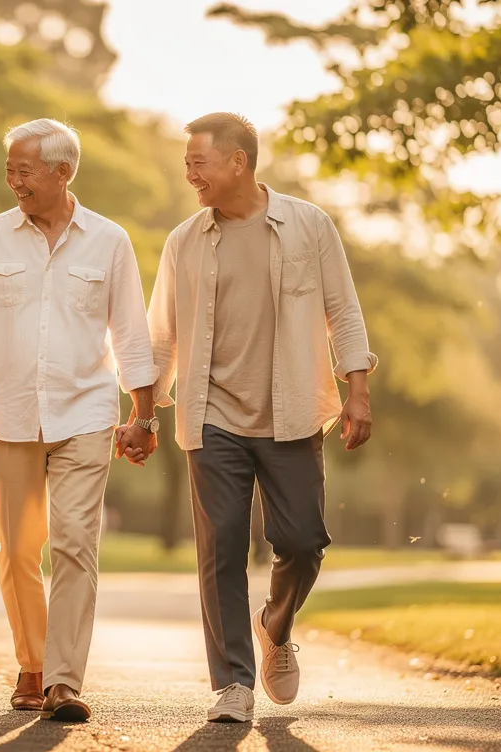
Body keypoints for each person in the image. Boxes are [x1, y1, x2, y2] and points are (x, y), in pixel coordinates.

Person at [146, 112, 377, 723]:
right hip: (211, 413)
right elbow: (162, 335)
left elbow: (344, 313)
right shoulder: (184, 240)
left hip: (293, 410)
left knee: (302, 542)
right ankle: (234, 684)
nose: (189, 173)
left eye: (199, 162)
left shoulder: (308, 225)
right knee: (220, 545)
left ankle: (276, 623)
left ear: (238, 162)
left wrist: (358, 392)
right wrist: (144, 413)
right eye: (187, 163)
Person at [0, 118, 158, 722]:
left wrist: (143, 414)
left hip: (86, 412)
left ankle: (63, 680)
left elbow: (132, 335)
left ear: (63, 172)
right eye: (9, 169)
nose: (13, 181)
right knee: (16, 549)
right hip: (6, 415)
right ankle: (31, 663)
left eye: (24, 170)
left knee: (74, 546)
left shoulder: (109, 241)